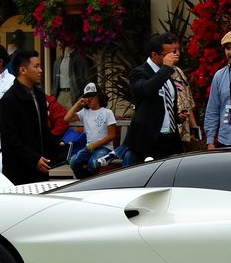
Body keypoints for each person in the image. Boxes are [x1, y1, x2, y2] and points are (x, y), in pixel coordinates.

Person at [0, 49, 65, 185]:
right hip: (19, 169)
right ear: (23, 70)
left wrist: (58, 144)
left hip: (41, 165)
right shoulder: (9, 100)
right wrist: (33, 159)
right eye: (36, 66)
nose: (40, 70)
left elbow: (42, 128)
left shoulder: (39, 94)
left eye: (40, 66)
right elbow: (10, 138)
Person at [123, 33, 184, 163]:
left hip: (171, 139)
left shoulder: (166, 72)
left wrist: (177, 117)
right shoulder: (139, 72)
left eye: (173, 52)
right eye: (168, 54)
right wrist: (166, 68)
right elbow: (147, 90)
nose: (173, 57)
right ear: (155, 55)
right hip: (149, 140)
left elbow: (165, 103)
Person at [64, 82, 118, 179]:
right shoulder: (84, 112)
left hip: (104, 148)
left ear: (98, 97)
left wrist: (95, 145)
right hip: (89, 148)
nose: (88, 99)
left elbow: (112, 135)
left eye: (91, 96)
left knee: (93, 163)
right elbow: (67, 119)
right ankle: (84, 183)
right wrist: (78, 104)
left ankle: (87, 184)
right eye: (86, 96)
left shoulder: (107, 113)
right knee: (73, 162)